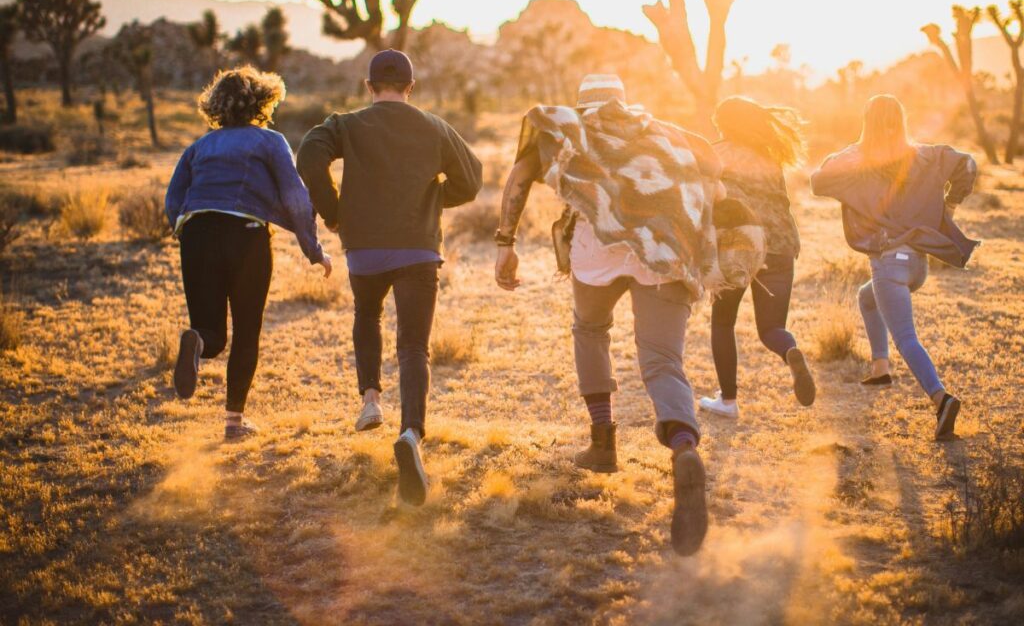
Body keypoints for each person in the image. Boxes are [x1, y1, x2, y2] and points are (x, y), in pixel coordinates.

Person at [495, 74, 724, 556]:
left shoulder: (570, 130)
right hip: (661, 251)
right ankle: (683, 444)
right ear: (624, 101)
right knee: (662, 360)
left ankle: (602, 445)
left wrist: (505, 243)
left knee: (591, 330)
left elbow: (518, 178)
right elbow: (713, 169)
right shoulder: (663, 132)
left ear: (582, 104)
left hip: (595, 254)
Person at [296, 49, 482, 506]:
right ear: (410, 88)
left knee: (367, 314)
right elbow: (473, 179)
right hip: (418, 247)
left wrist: (334, 210)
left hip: (365, 249)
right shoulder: (434, 127)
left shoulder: (346, 125)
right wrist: (435, 196)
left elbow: (307, 157)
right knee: (414, 345)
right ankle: (412, 434)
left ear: (369, 86)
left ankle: (371, 401)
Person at [165, 66, 331, 440]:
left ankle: (198, 342)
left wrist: (185, 231)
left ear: (216, 105)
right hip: (246, 235)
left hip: (197, 232)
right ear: (262, 101)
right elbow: (295, 197)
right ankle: (233, 423)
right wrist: (314, 250)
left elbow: (173, 198)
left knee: (212, 333)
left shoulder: (199, 147)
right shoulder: (270, 142)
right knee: (245, 331)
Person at [811, 94, 978, 441]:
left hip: (888, 263)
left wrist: (852, 150)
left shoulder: (858, 158)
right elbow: (968, 164)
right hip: (917, 264)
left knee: (906, 337)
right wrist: (951, 204)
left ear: (866, 123)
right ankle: (880, 368)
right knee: (866, 298)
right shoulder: (923, 153)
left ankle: (941, 398)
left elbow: (818, 179)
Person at [699, 97, 816, 419]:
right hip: (780, 245)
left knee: (723, 322)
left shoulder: (716, 154)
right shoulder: (769, 158)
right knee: (772, 328)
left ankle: (728, 401)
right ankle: (789, 350)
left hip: (738, 246)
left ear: (724, 124)